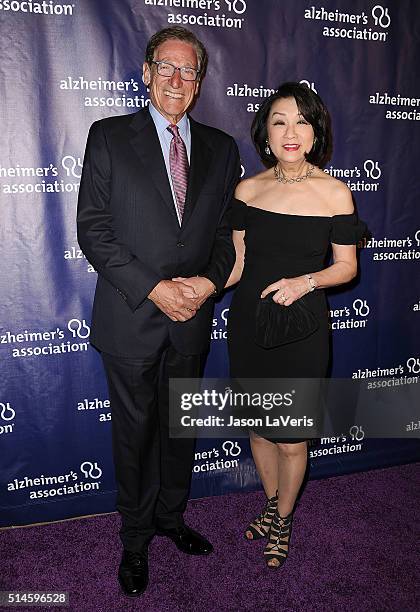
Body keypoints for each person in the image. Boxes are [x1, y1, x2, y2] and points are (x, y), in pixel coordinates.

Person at [77, 26, 240, 596]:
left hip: (193, 315)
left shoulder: (222, 149)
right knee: (135, 436)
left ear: (198, 84)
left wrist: (207, 283)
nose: (176, 79)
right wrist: (155, 289)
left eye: (187, 71)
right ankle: (136, 539)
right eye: (165, 68)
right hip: (131, 316)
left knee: (179, 431)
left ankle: (171, 518)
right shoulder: (108, 137)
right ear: (146, 73)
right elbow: (94, 230)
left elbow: (226, 234)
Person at [226, 82, 366, 568]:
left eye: (301, 121)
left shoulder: (334, 193)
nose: (291, 132)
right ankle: (270, 504)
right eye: (280, 120)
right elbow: (238, 264)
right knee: (260, 431)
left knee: (291, 437)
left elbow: (346, 268)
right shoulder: (248, 190)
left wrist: (305, 281)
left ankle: (283, 520)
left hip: (302, 330)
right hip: (247, 325)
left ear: (315, 131)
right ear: (265, 130)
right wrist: (197, 287)